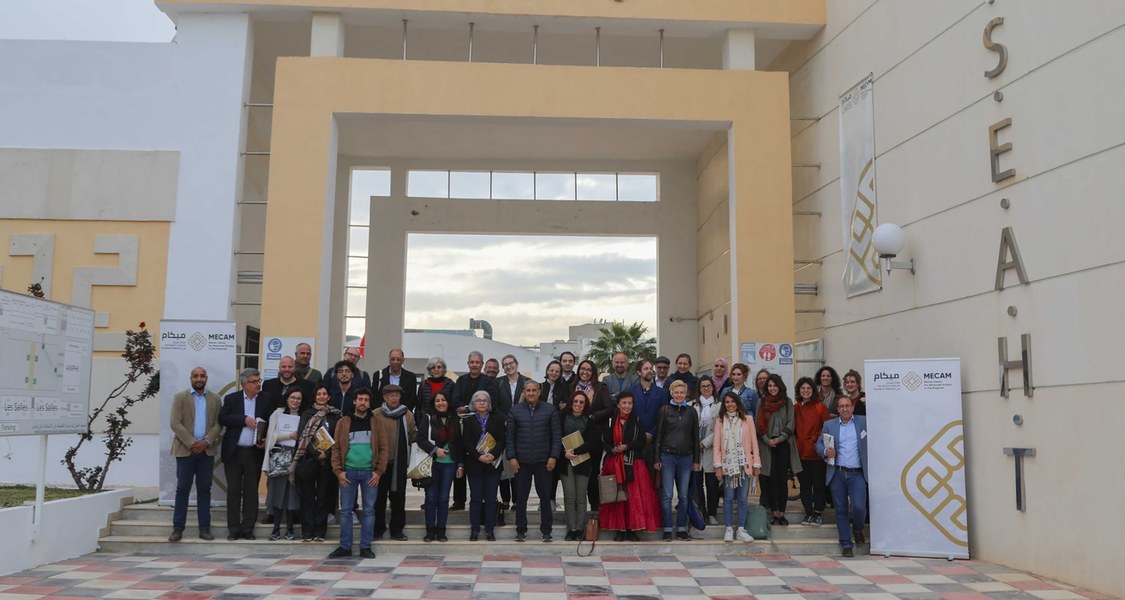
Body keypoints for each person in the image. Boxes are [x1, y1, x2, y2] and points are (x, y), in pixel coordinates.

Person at [327, 387, 389, 559]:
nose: (363, 402)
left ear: (369, 403)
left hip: (370, 473)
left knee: (369, 510)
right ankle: (345, 546)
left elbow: (384, 449)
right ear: (354, 401)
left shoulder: (376, 423)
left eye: (366, 400)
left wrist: (378, 471)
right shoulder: (343, 422)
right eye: (360, 399)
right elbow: (336, 448)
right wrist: (338, 471)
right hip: (348, 473)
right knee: (346, 510)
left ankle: (365, 546)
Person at [218, 368, 273, 540]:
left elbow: (272, 421)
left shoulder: (266, 399)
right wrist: (242, 419)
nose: (258, 384)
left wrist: (265, 439)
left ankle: (248, 528)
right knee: (234, 490)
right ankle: (234, 529)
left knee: (251, 491)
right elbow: (222, 418)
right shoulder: (231, 399)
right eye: (254, 381)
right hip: (234, 452)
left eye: (259, 380)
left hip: (253, 452)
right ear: (244, 384)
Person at [168, 367, 221, 542]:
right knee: (182, 489)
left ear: (206, 378)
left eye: (202, 376)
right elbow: (175, 423)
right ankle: (177, 529)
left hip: (206, 451)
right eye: (196, 376)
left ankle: (204, 528)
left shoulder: (215, 399)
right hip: (185, 450)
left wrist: (205, 442)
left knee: (204, 490)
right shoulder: (180, 397)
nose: (199, 379)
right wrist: (192, 443)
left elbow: (218, 425)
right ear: (191, 378)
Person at [599, 391, 661, 540]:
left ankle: (631, 529)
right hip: (613, 463)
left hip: (634, 464)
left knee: (633, 498)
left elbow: (641, 442)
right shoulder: (610, 421)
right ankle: (620, 529)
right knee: (616, 496)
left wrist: (627, 446)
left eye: (630, 403)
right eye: (624, 403)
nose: (627, 406)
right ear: (618, 404)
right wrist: (613, 449)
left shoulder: (637, 421)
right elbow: (603, 441)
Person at [506, 380, 561, 543]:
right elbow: (510, 437)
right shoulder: (515, 410)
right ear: (524, 392)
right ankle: (521, 531)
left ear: (539, 392)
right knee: (521, 498)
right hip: (521, 462)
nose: (531, 393)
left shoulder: (550, 410)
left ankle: (546, 531)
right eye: (528, 390)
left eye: (534, 390)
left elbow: (556, 436)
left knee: (545, 497)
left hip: (543, 461)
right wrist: (512, 457)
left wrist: (553, 456)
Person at [816, 396, 869, 557]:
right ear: (837, 409)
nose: (845, 409)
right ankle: (846, 543)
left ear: (853, 407)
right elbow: (818, 444)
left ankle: (858, 529)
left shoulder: (864, 422)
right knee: (840, 510)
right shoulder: (829, 425)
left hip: (857, 473)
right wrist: (825, 452)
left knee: (859, 507)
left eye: (848, 405)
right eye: (841, 406)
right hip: (837, 472)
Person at [455, 390, 506, 541]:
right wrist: (479, 457)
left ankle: (490, 530)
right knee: (476, 498)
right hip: (475, 465)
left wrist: (492, 455)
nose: (482, 403)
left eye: (485, 400)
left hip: (492, 464)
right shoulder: (468, 421)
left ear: (489, 404)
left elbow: (502, 440)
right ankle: (475, 530)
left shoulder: (497, 420)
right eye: (479, 400)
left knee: (491, 499)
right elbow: (466, 443)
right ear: (473, 404)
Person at [294, 384, 342, 542]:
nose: (321, 396)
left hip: (327, 462)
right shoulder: (307, 414)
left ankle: (320, 532)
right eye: (319, 394)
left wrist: (326, 454)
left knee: (323, 497)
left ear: (328, 397)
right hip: (310, 459)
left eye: (324, 394)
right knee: (307, 497)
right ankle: (307, 532)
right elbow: (303, 436)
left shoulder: (335, 415)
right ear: (315, 397)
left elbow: (339, 437)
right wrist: (316, 453)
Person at [654, 379, 701, 541]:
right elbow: (659, 436)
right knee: (667, 495)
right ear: (672, 393)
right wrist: (656, 458)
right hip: (667, 456)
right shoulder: (664, 410)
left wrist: (696, 460)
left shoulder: (691, 412)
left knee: (684, 495)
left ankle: (681, 528)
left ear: (686, 393)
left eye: (682, 392)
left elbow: (696, 437)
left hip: (686, 458)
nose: (679, 395)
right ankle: (667, 528)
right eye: (676, 392)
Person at [714, 390, 762, 543]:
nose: (730, 405)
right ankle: (728, 528)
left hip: (744, 465)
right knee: (728, 498)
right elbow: (717, 446)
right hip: (728, 466)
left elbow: (754, 443)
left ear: (738, 403)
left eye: (732, 401)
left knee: (742, 498)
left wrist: (756, 464)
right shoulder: (720, 421)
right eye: (727, 402)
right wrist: (718, 466)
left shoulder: (747, 420)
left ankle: (741, 529)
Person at [372, 384, 417, 541]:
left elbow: (413, 436)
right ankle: (377, 529)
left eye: (397, 395)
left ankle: (397, 530)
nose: (394, 398)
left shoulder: (407, 414)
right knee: (379, 498)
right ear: (385, 397)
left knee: (398, 497)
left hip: (399, 464)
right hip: (380, 465)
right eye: (391, 395)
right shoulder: (376, 414)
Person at [756, 374, 802, 526]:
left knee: (782, 479)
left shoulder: (787, 402)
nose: (772, 388)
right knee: (771, 479)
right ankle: (774, 513)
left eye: (775, 385)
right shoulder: (761, 402)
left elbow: (791, 422)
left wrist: (780, 438)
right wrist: (766, 440)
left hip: (783, 444)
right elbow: (758, 423)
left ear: (780, 386)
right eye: (769, 386)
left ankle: (782, 513)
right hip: (766, 445)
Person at [451, 350, 493, 511]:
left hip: (482, 426)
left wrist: (471, 407)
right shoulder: (461, 380)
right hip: (463, 425)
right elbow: (455, 399)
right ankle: (459, 500)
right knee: (461, 461)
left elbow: (491, 400)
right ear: (468, 364)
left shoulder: (488, 382)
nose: (474, 365)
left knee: (482, 463)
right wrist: (462, 407)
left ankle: (483, 500)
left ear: (482, 364)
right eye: (472, 362)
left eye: (477, 362)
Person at [261, 387, 303, 540]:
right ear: (287, 398)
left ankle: (290, 528)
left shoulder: (303, 415)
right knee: (276, 494)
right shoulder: (277, 413)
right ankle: (276, 528)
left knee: (292, 496)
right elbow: (270, 437)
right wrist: (289, 435)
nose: (295, 401)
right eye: (293, 397)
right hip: (278, 457)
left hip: (295, 459)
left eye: (298, 398)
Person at [416, 391, 457, 542]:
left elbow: (459, 442)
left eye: (443, 400)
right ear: (433, 403)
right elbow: (420, 439)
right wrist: (435, 450)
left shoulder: (454, 419)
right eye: (437, 400)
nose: (441, 403)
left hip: (450, 464)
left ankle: (441, 531)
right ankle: (430, 531)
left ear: (448, 402)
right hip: (432, 463)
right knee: (431, 498)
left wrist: (460, 464)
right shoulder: (428, 418)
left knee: (444, 498)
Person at [571, 359, 611, 511]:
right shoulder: (572, 387)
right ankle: (576, 507)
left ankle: (594, 506)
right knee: (576, 471)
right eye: (582, 369)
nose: (585, 372)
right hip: (575, 435)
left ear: (593, 372)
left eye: (588, 369)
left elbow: (609, 409)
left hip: (595, 435)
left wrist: (593, 416)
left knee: (593, 471)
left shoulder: (601, 388)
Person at [558, 391, 598, 541]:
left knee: (581, 497)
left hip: (583, 461)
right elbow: (556, 437)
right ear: (571, 402)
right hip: (565, 461)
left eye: (581, 402)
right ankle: (571, 529)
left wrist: (575, 451)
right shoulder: (562, 417)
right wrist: (565, 453)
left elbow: (592, 442)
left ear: (585, 404)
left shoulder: (590, 420)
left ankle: (580, 528)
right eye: (575, 401)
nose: (578, 404)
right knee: (569, 496)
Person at [493, 354, 528, 518]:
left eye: (511, 363)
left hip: (523, 429)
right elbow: (495, 406)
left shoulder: (527, 382)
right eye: (505, 364)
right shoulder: (498, 383)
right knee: (504, 465)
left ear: (516, 364)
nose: (508, 366)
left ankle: (517, 500)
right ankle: (505, 499)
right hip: (503, 428)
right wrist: (506, 420)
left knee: (518, 465)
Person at [794, 376, 830, 527]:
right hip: (800, 452)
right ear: (799, 390)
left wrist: (816, 439)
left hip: (816, 452)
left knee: (818, 483)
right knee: (804, 484)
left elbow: (826, 427)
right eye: (803, 388)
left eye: (808, 388)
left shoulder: (820, 406)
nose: (806, 390)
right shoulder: (795, 407)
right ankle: (808, 512)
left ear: (813, 390)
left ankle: (818, 512)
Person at [693, 376, 721, 525]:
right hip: (695, 450)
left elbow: (720, 429)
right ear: (699, 388)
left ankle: (712, 513)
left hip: (711, 448)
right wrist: (696, 443)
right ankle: (700, 512)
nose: (706, 389)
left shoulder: (719, 405)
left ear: (713, 388)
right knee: (697, 484)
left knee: (711, 484)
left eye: (708, 386)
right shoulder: (693, 405)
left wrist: (704, 443)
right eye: (703, 386)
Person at [375, 348, 418, 413]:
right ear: (389, 360)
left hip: (403, 415)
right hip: (382, 415)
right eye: (393, 359)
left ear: (403, 360)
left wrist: (403, 412)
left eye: (398, 359)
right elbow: (374, 397)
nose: (395, 362)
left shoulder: (411, 377)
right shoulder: (378, 375)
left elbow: (412, 399)